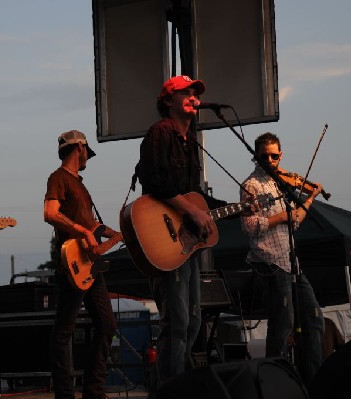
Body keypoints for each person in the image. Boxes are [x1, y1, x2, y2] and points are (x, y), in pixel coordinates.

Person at [135, 75, 217, 389]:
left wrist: (236, 206)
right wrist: (191, 210)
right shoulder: (160, 132)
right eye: (186, 92)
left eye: (196, 93)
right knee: (177, 322)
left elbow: (195, 195)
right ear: (169, 100)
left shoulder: (189, 140)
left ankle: (179, 385)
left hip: (187, 243)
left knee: (193, 320)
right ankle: (169, 390)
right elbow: (154, 180)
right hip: (165, 237)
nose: (194, 96)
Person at [239, 131, 324, 384]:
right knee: (282, 326)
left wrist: (310, 197)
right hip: (269, 262)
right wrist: (281, 217)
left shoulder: (281, 183)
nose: (270, 160)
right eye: (264, 156)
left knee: (315, 318)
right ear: (256, 156)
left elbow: (295, 219)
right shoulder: (252, 185)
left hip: (291, 262)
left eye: (274, 156)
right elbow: (249, 225)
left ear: (281, 155)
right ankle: (275, 382)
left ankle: (313, 382)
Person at [43, 130, 119, 399]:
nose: (88, 158)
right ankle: (64, 393)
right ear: (80, 149)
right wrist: (82, 232)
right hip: (72, 263)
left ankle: (93, 391)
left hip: (92, 264)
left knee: (107, 324)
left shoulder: (81, 185)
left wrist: (116, 234)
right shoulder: (59, 178)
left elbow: (92, 225)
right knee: (64, 330)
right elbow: (50, 213)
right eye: (87, 152)